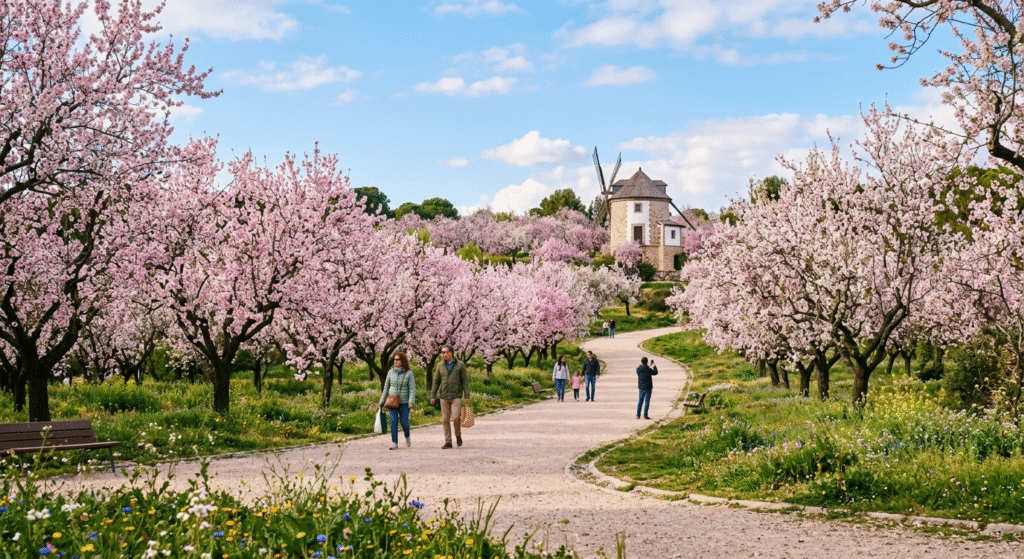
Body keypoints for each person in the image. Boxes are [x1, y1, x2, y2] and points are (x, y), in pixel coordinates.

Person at [430, 345, 470, 449]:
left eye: (445, 352)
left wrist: (467, 395)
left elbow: (465, 381)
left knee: (456, 417)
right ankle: (448, 441)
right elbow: (436, 381)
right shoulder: (440, 365)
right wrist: (432, 396)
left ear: (450, 353)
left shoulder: (460, 365)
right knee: (445, 420)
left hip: (456, 396)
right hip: (444, 396)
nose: (443, 354)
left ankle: (458, 434)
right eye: (442, 352)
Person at [379, 352, 415, 450]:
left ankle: (407, 436)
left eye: (398, 359)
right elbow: (386, 387)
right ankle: (394, 442)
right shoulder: (390, 372)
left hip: (404, 402)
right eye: (394, 359)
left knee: (404, 422)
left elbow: (412, 389)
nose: (395, 361)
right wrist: (382, 400)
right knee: (393, 421)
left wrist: (411, 401)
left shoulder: (409, 373)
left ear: (402, 361)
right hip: (392, 401)